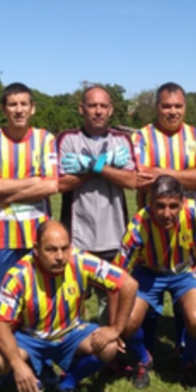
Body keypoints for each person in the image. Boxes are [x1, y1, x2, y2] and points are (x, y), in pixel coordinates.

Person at [0, 221, 138, 392]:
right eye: (51, 250)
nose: (60, 257)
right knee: (0, 362)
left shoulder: (80, 260)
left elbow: (129, 284)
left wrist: (116, 329)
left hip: (70, 332)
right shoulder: (18, 276)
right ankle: (33, 387)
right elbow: (0, 324)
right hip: (30, 338)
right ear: (36, 250)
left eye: (64, 248)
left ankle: (67, 384)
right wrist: (17, 364)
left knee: (109, 346)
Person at [112, 175, 196, 390]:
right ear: (150, 203)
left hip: (184, 271)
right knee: (127, 323)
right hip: (148, 273)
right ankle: (144, 359)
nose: (166, 214)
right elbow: (116, 274)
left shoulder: (195, 211)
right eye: (160, 206)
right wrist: (114, 325)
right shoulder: (137, 226)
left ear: (182, 203)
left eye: (173, 206)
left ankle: (188, 361)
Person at [0, 83, 58, 290]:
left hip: (38, 235)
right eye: (12, 104)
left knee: (38, 291)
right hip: (2, 236)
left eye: (23, 104)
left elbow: (51, 186)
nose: (18, 109)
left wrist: (8, 198)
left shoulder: (45, 139)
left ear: (32, 108)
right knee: (0, 292)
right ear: (3, 109)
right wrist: (33, 180)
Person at [56, 85, 137, 268]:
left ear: (111, 109)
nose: (98, 111)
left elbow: (132, 181)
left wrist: (92, 164)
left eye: (103, 106)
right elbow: (61, 185)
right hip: (77, 239)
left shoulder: (122, 140)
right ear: (81, 108)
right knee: (75, 296)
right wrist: (105, 165)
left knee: (113, 295)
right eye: (92, 105)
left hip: (114, 237)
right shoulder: (68, 139)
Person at [133, 82, 196, 204]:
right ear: (157, 107)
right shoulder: (141, 137)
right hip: (151, 219)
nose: (173, 111)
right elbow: (142, 179)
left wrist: (164, 173)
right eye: (166, 106)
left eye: (178, 106)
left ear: (185, 107)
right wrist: (191, 176)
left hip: (190, 218)